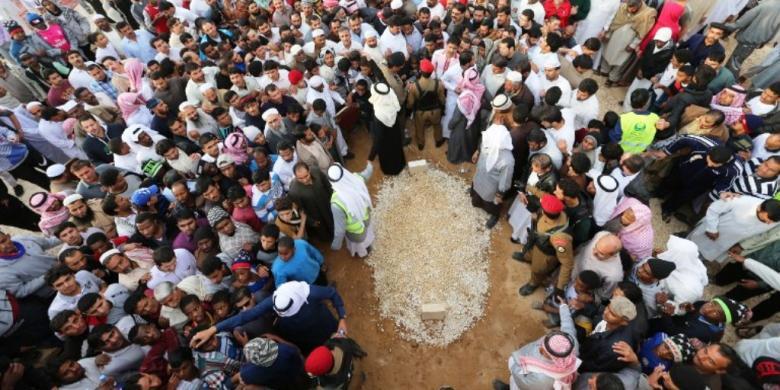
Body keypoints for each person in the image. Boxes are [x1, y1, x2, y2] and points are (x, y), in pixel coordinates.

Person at [191, 281, 348, 354]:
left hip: (323, 322)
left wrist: (342, 318)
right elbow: (244, 317)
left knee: (339, 343)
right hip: (300, 333)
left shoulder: (308, 291)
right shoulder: (273, 300)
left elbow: (332, 293)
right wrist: (212, 329)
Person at [471, 95, 516, 229]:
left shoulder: (508, 160)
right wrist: (478, 151)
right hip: (480, 176)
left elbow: (505, 181)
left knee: (492, 204)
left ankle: (494, 215)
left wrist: (500, 194)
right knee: (477, 195)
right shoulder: (488, 141)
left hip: (492, 185)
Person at [688, 197, 780, 262]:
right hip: (708, 234)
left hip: (725, 244)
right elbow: (714, 208)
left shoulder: (775, 220)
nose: (769, 223)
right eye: (766, 219)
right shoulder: (744, 201)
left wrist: (741, 246)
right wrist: (711, 228)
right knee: (687, 248)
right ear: (759, 208)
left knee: (699, 259)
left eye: (772, 222)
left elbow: (761, 234)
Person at [516, 194, 574, 297]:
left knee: (537, 270)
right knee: (530, 252)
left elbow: (567, 263)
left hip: (545, 255)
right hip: (537, 244)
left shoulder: (560, 239)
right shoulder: (556, 212)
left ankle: (533, 283)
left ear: (544, 212)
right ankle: (526, 256)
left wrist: (560, 287)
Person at [598, 0, 657, 85]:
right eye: (629, 7)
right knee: (608, 52)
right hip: (615, 35)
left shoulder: (646, 14)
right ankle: (604, 70)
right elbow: (614, 21)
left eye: (633, 8)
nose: (630, 10)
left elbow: (642, 32)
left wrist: (633, 45)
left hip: (629, 40)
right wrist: (608, 34)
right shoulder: (623, 7)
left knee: (621, 60)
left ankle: (612, 78)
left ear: (639, 6)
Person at [407, 58, 445, 150]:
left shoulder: (414, 86)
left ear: (420, 71)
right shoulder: (439, 84)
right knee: (437, 126)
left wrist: (409, 109)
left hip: (420, 112)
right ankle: (438, 141)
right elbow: (442, 100)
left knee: (419, 128)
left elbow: (410, 103)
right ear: (431, 72)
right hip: (435, 111)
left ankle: (421, 144)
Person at [368, 82, 405, 175]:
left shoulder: (379, 114)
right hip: (395, 134)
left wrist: (371, 156)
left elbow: (378, 138)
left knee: (388, 156)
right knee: (396, 151)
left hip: (385, 142)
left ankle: (392, 171)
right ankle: (400, 165)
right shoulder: (392, 101)